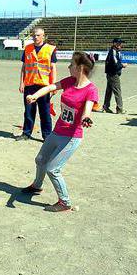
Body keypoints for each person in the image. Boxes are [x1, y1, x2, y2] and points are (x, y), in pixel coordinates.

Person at [21, 51, 99, 212]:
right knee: (40, 160)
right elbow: (51, 86)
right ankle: (37, 186)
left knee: (53, 169)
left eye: (72, 64)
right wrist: (35, 95)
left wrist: (86, 117)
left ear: (80, 68)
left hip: (71, 137)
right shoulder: (70, 81)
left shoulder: (91, 90)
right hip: (57, 132)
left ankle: (65, 202)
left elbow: (88, 109)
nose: (69, 66)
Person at [15, 28, 57, 141]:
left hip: (44, 86)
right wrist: (21, 83)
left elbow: (53, 68)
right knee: (28, 111)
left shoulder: (50, 49)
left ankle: (47, 136)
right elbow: (24, 68)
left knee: (45, 112)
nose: (35, 37)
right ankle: (26, 133)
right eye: (34, 35)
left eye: (38, 35)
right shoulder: (28, 48)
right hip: (29, 85)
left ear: (43, 36)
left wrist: (53, 86)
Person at [102, 38, 127, 114]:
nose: (120, 45)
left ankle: (106, 106)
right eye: (119, 43)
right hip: (113, 74)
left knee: (109, 91)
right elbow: (115, 64)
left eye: (120, 43)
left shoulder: (116, 52)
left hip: (111, 73)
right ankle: (119, 109)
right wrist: (122, 65)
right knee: (117, 91)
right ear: (114, 44)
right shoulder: (113, 52)